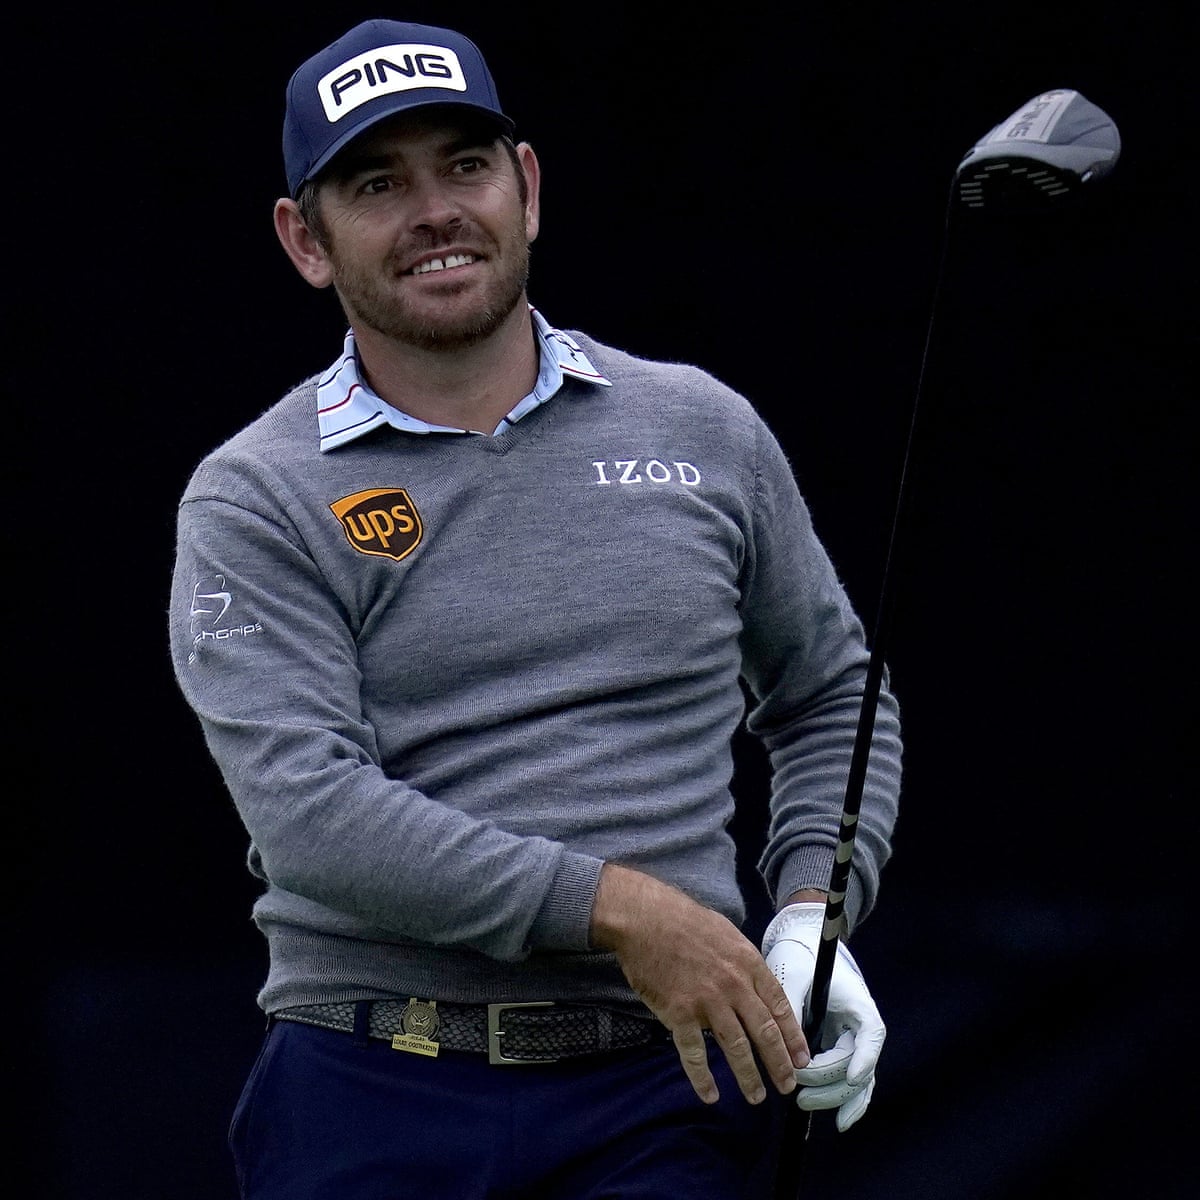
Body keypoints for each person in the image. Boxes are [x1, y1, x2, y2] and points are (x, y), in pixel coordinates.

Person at [168, 18, 902, 1200]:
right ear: (306, 240)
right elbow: (310, 811)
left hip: (665, 1096)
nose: (435, 212)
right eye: (377, 184)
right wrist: (622, 911)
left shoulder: (703, 430)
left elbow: (829, 694)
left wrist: (814, 909)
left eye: (465, 165)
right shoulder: (256, 493)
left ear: (528, 188)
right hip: (373, 1088)